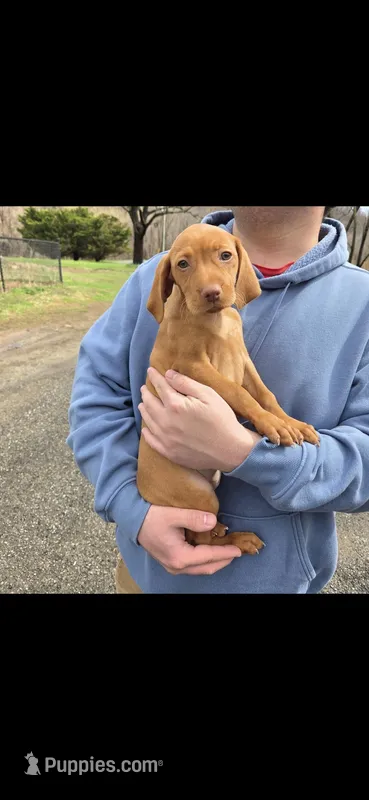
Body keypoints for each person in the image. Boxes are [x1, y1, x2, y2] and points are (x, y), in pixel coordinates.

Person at [66, 207, 369, 594]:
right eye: (185, 265)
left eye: (223, 257)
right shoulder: (152, 276)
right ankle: (211, 536)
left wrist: (245, 451)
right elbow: (94, 401)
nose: (208, 282)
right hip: (146, 577)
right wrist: (133, 511)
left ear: (237, 260)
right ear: (172, 276)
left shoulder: (362, 303)